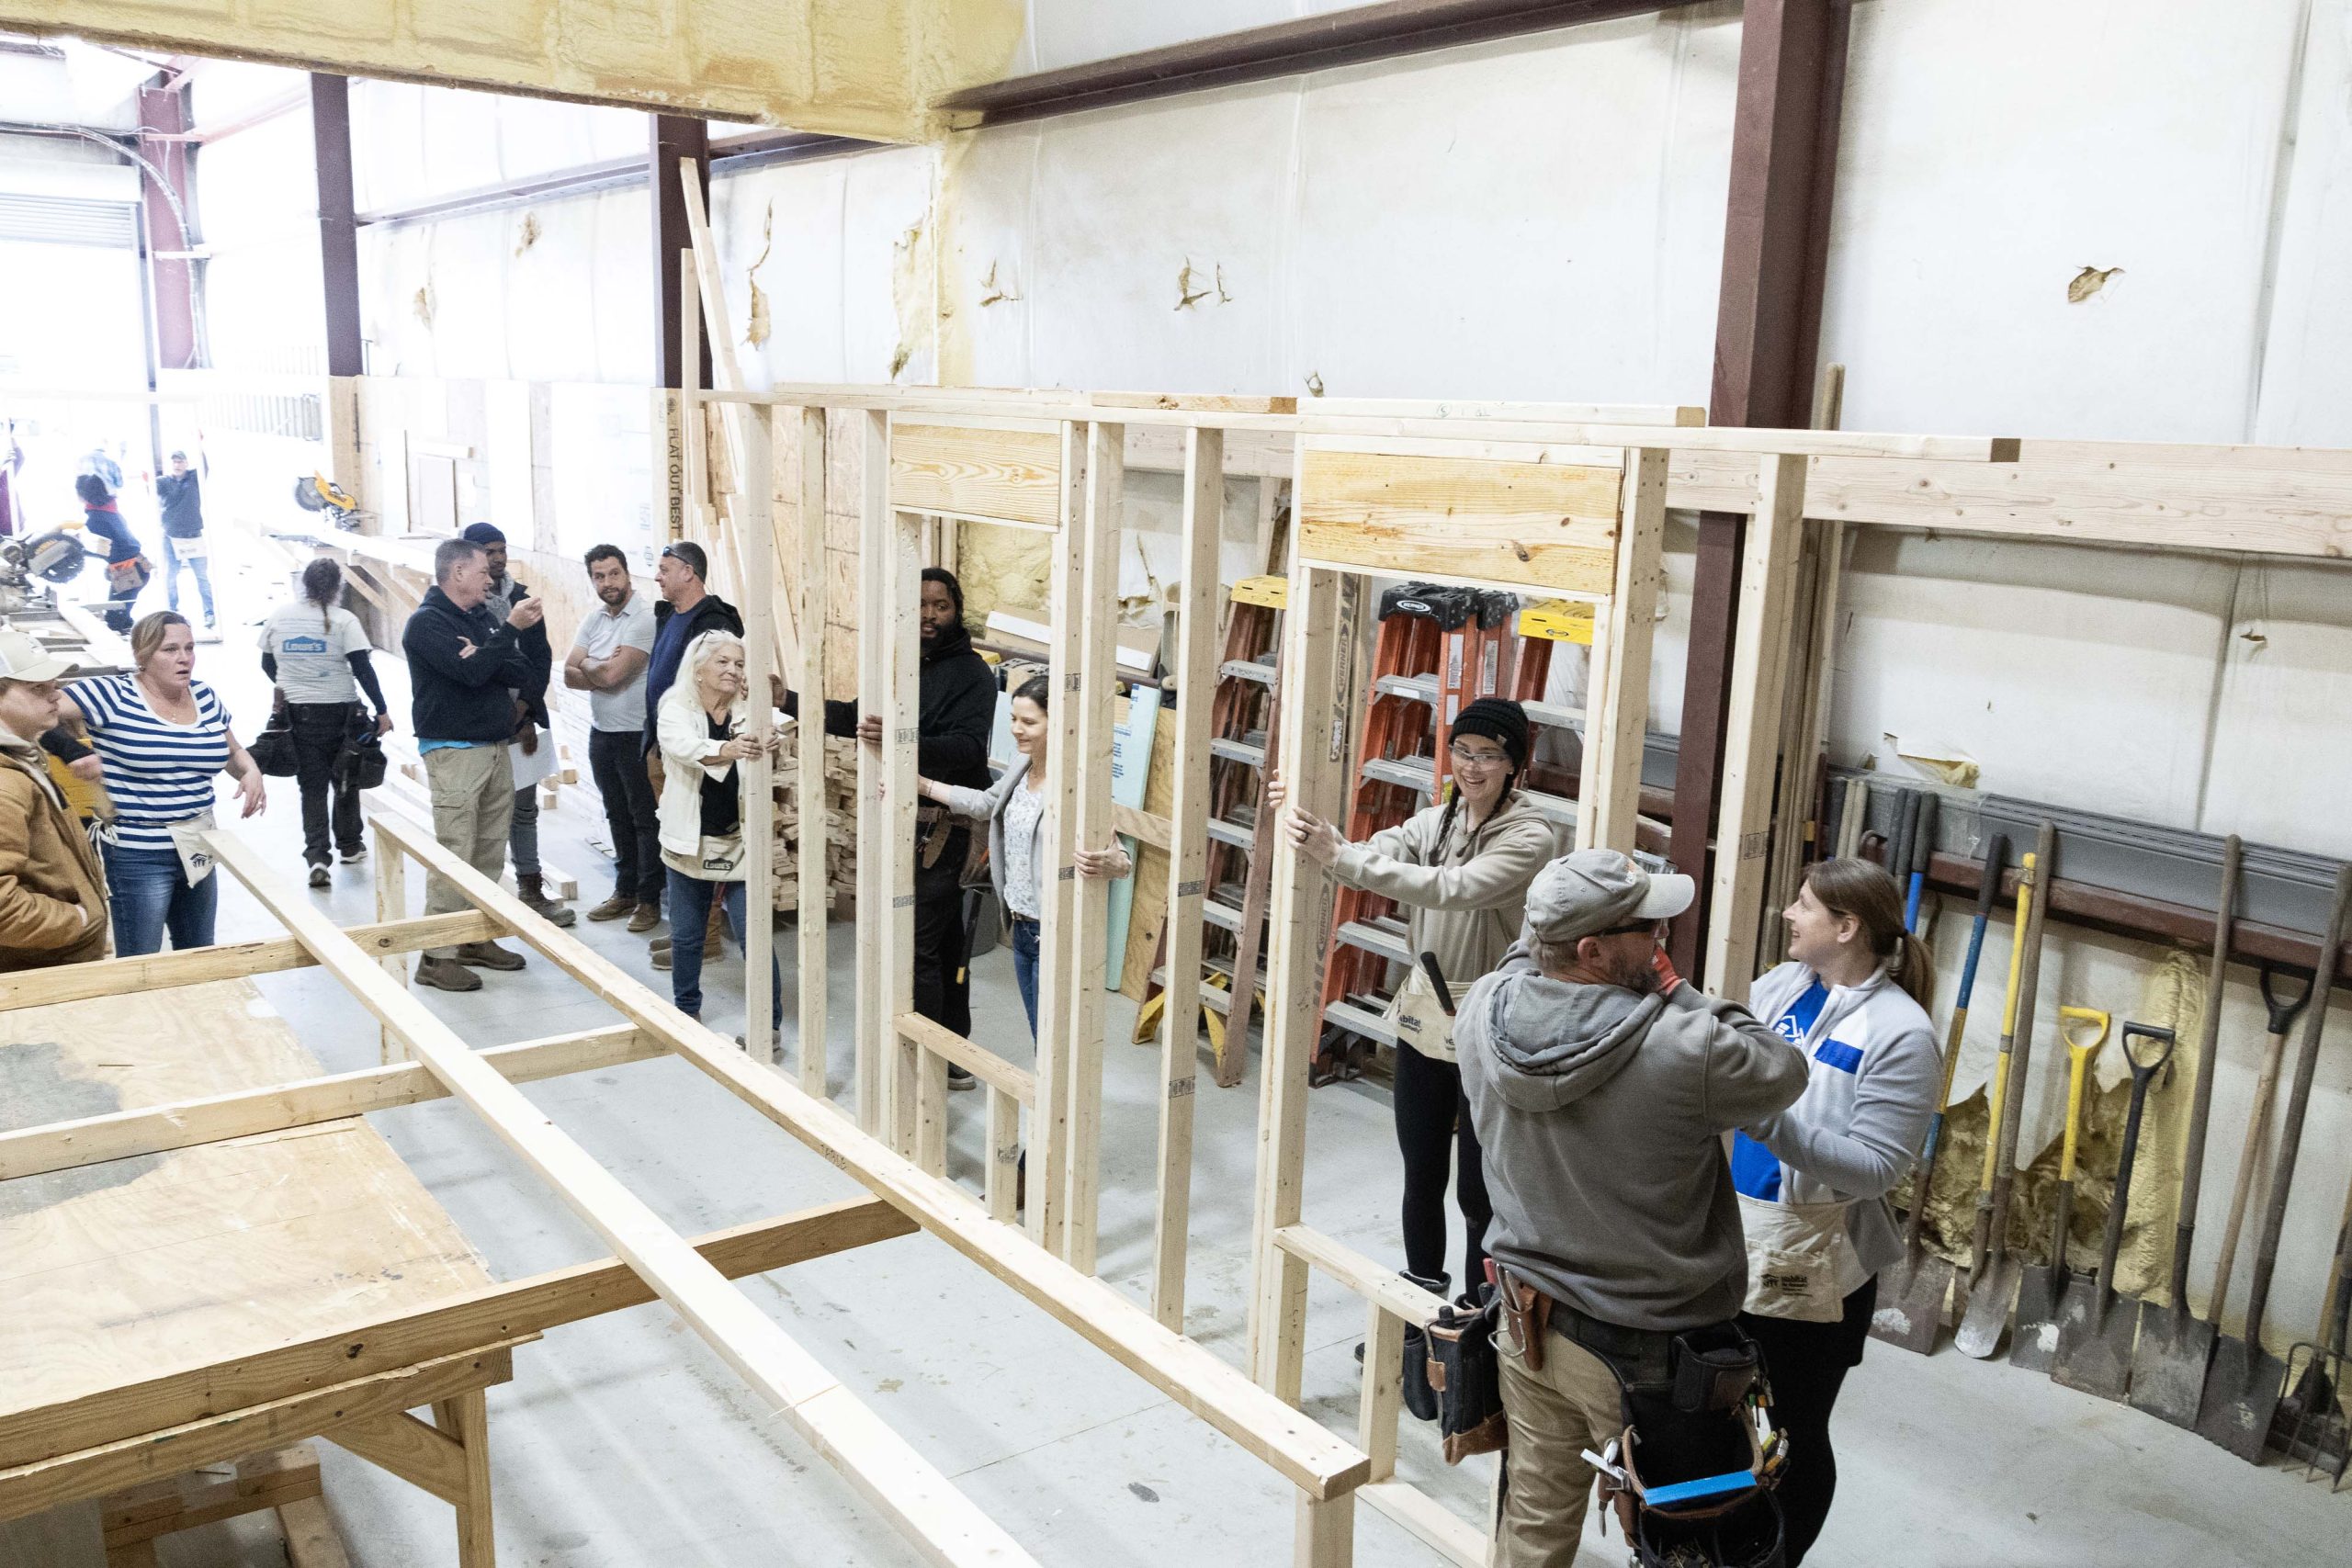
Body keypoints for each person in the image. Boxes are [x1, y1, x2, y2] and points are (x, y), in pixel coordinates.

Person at [1455, 849, 1810, 1566]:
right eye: (1647, 930)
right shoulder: (1688, 1042)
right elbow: (1783, 1068)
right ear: (1591, 949)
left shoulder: (1482, 1008)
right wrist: (1677, 991)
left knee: (1532, 1523)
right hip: (1651, 1352)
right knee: (1688, 1544)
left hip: (1529, 1328)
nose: (1661, 943)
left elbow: (1526, 963)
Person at [1272, 694, 1555, 1309]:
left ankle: (1482, 1317)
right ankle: (1422, 1300)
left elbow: (1455, 889)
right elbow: (1374, 854)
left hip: (1491, 1020)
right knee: (1421, 1171)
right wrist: (1313, 831)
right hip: (1426, 1010)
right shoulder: (1440, 820)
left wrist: (1341, 855)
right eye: (1462, 751)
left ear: (1513, 766)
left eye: (1488, 755)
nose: (1472, 766)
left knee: (1481, 1189)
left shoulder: (1531, 835)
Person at [1730, 858, 1939, 1565]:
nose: (1789, 913)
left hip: (1817, 1263)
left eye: (1805, 905)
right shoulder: (1785, 985)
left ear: (1846, 927)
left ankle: (1776, 1557)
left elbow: (1880, 1166)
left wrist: (1767, 1123)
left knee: (1791, 1430)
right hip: (1738, 1234)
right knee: (1727, 1414)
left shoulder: (1900, 1032)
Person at [782, 567, 993, 1079]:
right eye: (919, 604)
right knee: (936, 944)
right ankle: (952, 1050)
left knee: (918, 945)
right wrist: (786, 701)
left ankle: (924, 1058)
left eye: (939, 605)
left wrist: (899, 738)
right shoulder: (900, 666)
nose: (928, 614)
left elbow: (966, 748)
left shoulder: (973, 675)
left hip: (944, 827)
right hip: (901, 822)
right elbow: (853, 716)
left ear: (955, 610)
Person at [919, 673, 1129, 1046]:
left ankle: (1061, 1104)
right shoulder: (1022, 766)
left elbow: (1117, 855)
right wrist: (921, 785)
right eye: (1014, 719)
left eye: (1029, 722)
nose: (1017, 730)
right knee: (1041, 1032)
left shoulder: (1077, 784)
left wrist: (1116, 864)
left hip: (1056, 930)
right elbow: (985, 804)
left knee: (1054, 1040)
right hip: (1021, 924)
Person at [55, 612, 266, 955]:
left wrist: (251, 769)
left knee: (198, 954)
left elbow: (232, 750)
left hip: (198, 845)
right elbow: (34, 707)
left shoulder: (205, 697)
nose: (184, 658)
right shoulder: (112, 694)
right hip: (139, 853)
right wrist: (70, 750)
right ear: (142, 655)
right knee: (142, 960)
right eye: (170, 650)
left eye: (189, 648)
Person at [401, 536, 541, 991]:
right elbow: (474, 673)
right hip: (454, 751)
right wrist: (501, 641)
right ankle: (435, 955)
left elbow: (518, 671)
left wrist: (485, 652)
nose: (491, 578)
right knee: (454, 854)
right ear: (458, 573)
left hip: (495, 746)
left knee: (487, 852)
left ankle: (473, 938)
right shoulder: (426, 624)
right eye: (483, 572)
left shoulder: (480, 618)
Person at [654, 630, 786, 1039]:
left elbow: (776, 734)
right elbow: (681, 747)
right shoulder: (674, 707)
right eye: (723, 662)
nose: (732, 670)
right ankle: (686, 1013)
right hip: (689, 839)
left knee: (755, 937)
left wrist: (774, 732)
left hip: (741, 840)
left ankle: (769, 1025)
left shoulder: (749, 708)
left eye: (739, 664)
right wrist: (726, 749)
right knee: (689, 936)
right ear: (698, 669)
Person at [464, 523, 573, 926]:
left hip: (521, 722)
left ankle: (530, 887)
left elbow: (539, 660)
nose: (497, 558)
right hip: (477, 727)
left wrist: (525, 709)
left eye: (502, 549)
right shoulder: (460, 607)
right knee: (478, 815)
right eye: (488, 551)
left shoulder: (523, 601)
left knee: (523, 811)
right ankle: (479, 900)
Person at [642, 540, 742, 973]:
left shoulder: (712, 621)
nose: (658, 576)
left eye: (664, 568)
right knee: (682, 842)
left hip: (702, 749)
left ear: (689, 572)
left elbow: (721, 687)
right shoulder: (670, 615)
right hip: (668, 743)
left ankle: (706, 939)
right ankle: (691, 932)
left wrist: (711, 744)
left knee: (707, 843)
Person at [260, 558, 392, 886]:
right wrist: (382, 710)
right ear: (338, 587)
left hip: (297, 715)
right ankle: (349, 846)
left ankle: (317, 857)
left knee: (312, 786)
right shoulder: (344, 620)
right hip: (342, 714)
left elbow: (266, 662)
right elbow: (363, 669)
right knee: (346, 778)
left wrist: (292, 682)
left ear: (303, 583)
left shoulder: (279, 617)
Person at [565, 545, 661, 931]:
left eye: (614, 573)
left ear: (627, 574)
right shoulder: (594, 620)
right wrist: (595, 664)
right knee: (616, 815)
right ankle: (625, 891)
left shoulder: (646, 618)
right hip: (601, 733)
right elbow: (569, 673)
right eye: (599, 576)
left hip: (636, 735)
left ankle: (650, 900)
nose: (608, 583)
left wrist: (592, 666)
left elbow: (610, 677)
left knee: (644, 819)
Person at [0, 629, 107, 969]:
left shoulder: (22, 757)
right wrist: (76, 920)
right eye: (37, 688)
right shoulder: (5, 782)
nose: (55, 696)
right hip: (38, 971)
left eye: (53, 685)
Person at [76, 473, 147, 634]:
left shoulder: (95, 518)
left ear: (82, 494)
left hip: (128, 571)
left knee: (114, 622)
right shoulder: (110, 510)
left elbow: (101, 548)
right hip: (139, 565)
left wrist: (76, 547)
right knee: (122, 618)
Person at [153, 449, 215, 630]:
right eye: (174, 462)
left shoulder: (194, 479)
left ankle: (209, 612)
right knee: (170, 576)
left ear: (186, 463)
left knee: (202, 577)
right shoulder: (163, 483)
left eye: (180, 462)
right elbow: (151, 488)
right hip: (171, 536)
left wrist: (201, 446)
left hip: (193, 534)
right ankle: (171, 612)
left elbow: (205, 468)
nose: (177, 465)